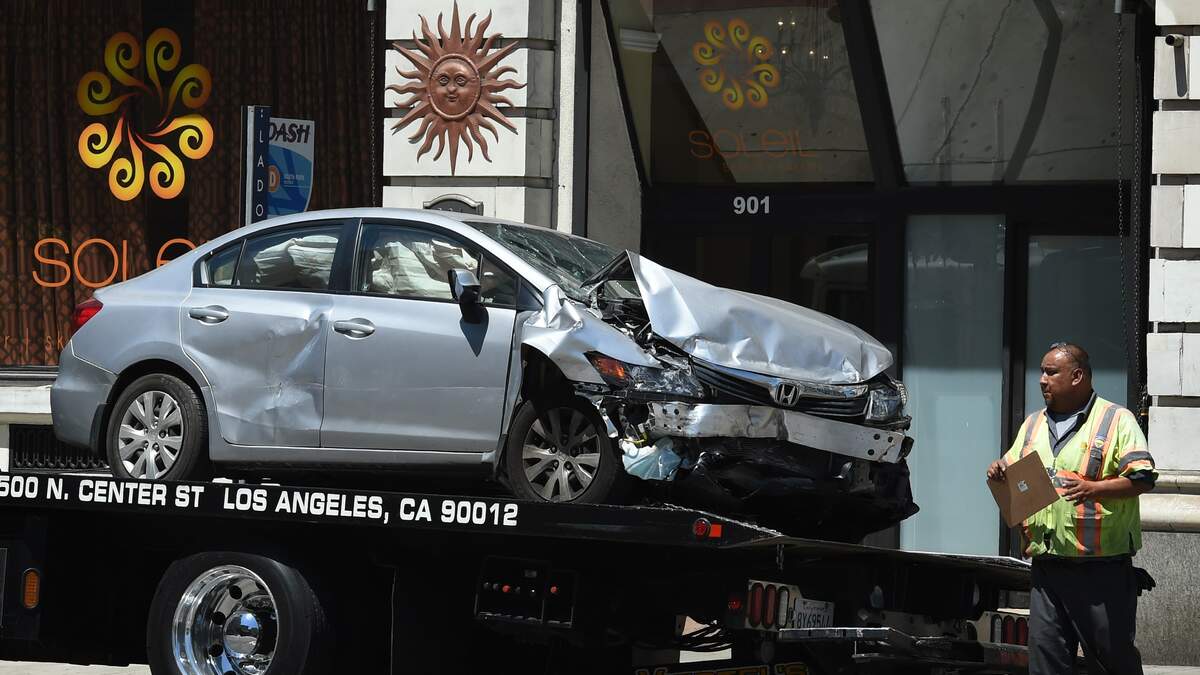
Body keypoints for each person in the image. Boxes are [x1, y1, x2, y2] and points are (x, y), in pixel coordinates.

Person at [987, 342, 1156, 674]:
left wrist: (1094, 489)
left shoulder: (1116, 420)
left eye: (1051, 372)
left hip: (1101, 571)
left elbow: (1143, 478)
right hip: (1047, 568)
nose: (1042, 380)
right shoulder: (1033, 424)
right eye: (1042, 372)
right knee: (1045, 663)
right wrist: (999, 470)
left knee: (1112, 664)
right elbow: (1013, 471)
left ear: (1077, 376)